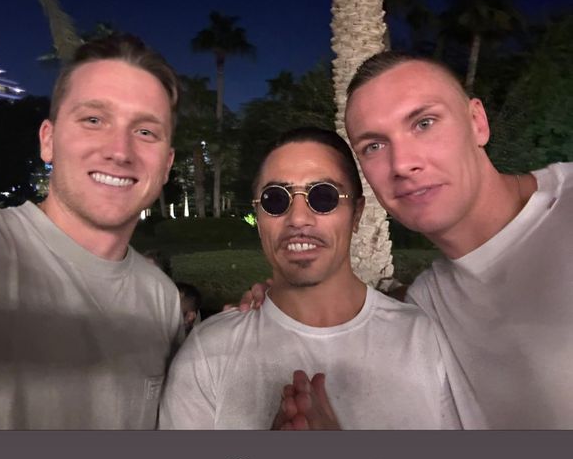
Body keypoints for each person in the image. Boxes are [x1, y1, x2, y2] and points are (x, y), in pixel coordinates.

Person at [0, 33, 183, 429]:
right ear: (48, 140)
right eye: (94, 120)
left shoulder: (162, 300)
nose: (119, 151)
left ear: (166, 165)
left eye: (146, 132)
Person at [160, 127, 459, 430]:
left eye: (324, 197)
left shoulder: (426, 341)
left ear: (356, 214)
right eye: (275, 200)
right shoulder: (208, 352)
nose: (298, 219)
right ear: (259, 218)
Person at [343, 51, 573, 429]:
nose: (402, 164)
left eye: (424, 123)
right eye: (374, 146)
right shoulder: (427, 307)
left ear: (477, 123)